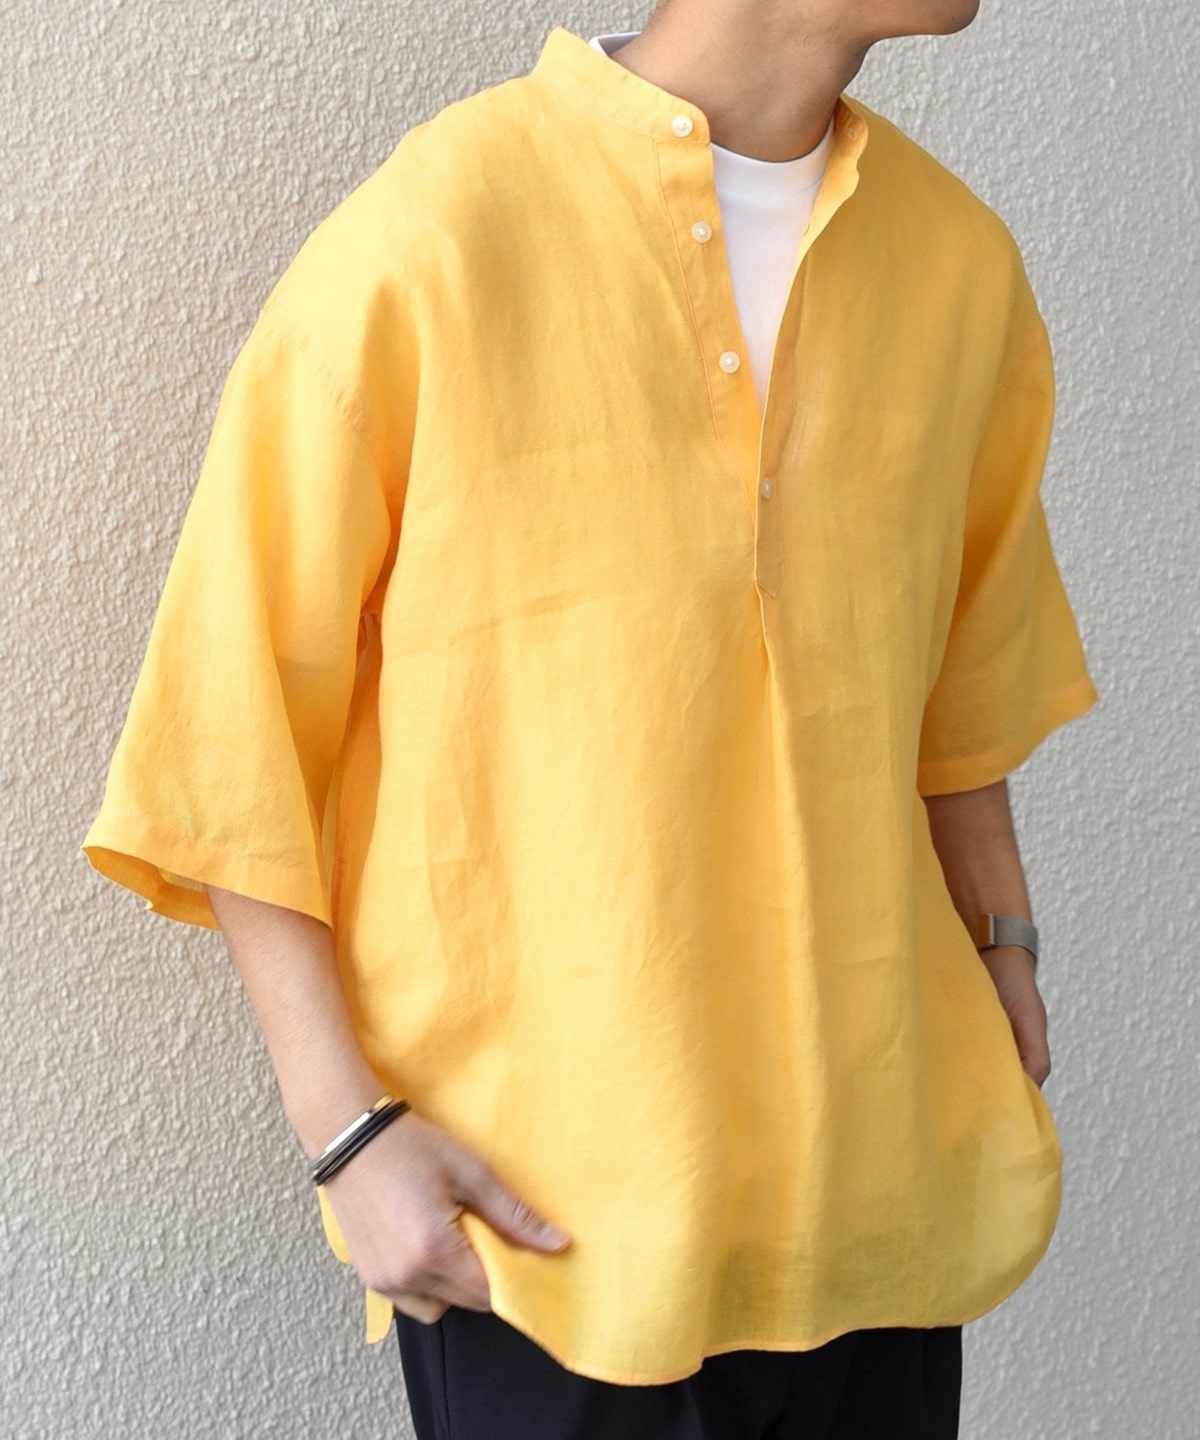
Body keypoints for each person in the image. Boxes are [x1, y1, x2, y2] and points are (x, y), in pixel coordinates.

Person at [81, 3, 1100, 1436]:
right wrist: (348, 1135)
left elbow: (959, 689)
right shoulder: (443, 231)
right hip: (542, 1236)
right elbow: (225, 731)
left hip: (883, 1210)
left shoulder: (957, 265)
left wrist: (1006, 949)